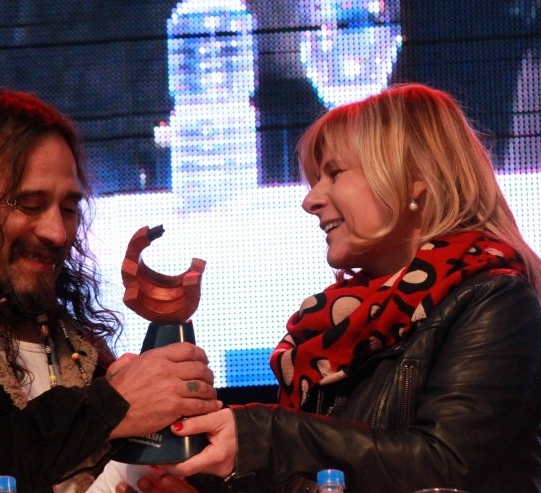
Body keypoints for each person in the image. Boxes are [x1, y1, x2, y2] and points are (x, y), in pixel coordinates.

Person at [150, 83, 541, 493]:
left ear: (415, 179)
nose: (310, 200)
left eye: (334, 174)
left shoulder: (494, 299)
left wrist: (264, 434)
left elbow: (449, 467)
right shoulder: (345, 318)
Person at [0, 90, 222, 492]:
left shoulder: (81, 348)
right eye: (29, 205)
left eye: (68, 208)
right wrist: (108, 407)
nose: (57, 233)